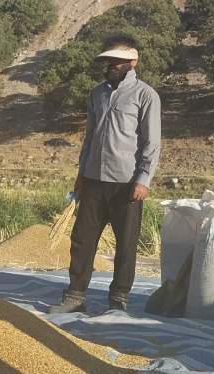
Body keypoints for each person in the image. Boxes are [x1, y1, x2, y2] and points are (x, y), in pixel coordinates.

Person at [49, 35, 161, 313]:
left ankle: (118, 299)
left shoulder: (146, 95)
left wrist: (143, 179)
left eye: (117, 61)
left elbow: (152, 142)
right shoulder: (97, 93)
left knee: (125, 244)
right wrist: (80, 173)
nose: (111, 65)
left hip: (127, 183)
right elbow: (90, 136)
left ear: (132, 62)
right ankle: (75, 295)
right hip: (93, 179)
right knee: (82, 239)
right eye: (109, 61)